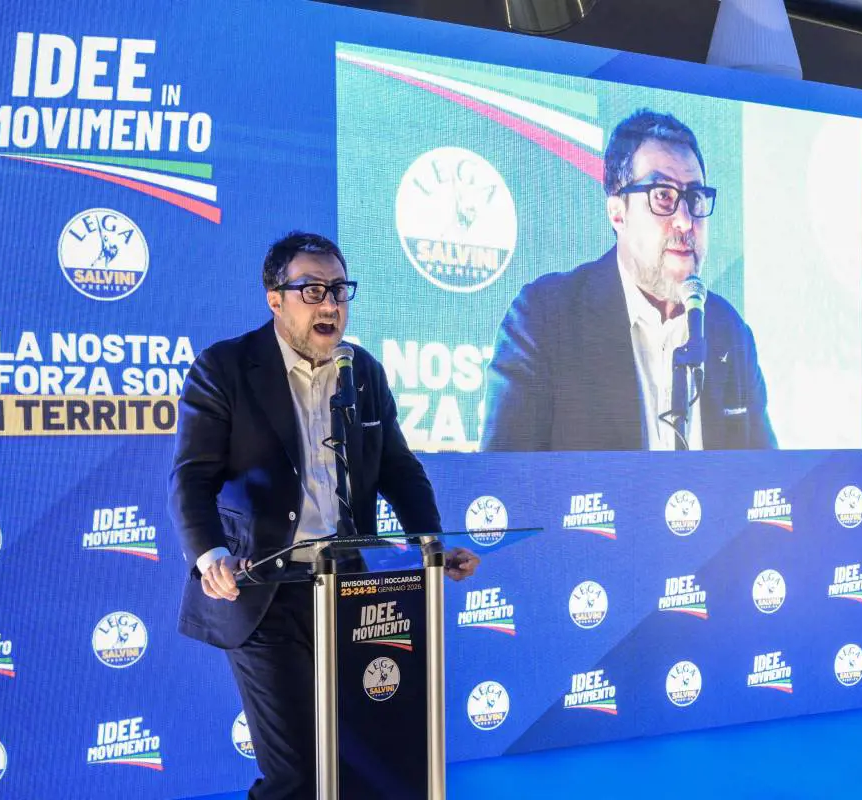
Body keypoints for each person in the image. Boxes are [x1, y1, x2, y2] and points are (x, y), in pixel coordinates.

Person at [169, 232, 480, 798]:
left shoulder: (362, 371)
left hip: (348, 590)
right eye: (312, 290)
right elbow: (191, 477)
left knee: (358, 758)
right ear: (275, 299)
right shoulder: (225, 367)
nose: (330, 304)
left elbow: (399, 471)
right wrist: (211, 555)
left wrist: (430, 543)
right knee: (298, 774)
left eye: (339, 289)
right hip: (263, 590)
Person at [480, 108, 777, 452]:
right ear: (618, 213)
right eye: (663, 195)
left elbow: (767, 474)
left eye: (695, 198)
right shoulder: (545, 319)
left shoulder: (729, 332)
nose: (685, 221)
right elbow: (502, 476)